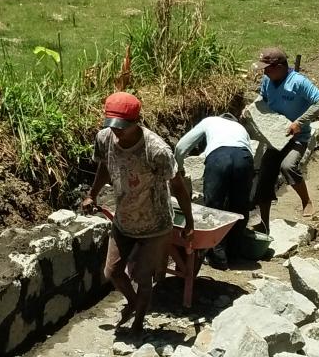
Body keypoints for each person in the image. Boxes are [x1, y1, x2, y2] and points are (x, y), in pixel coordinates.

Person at [81, 91, 194, 333]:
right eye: (112, 125)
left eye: (121, 127)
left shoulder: (156, 150)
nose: (116, 131)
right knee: (112, 271)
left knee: (143, 277)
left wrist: (190, 222)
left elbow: (178, 187)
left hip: (155, 224)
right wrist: (92, 194)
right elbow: (105, 166)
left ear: (136, 122)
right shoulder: (105, 138)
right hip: (124, 220)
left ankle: (139, 324)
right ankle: (133, 302)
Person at [253, 47, 319, 232]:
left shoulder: (298, 82)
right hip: (275, 137)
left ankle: (306, 201)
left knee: (288, 166)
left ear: (279, 67)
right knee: (265, 176)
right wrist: (251, 109)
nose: (264, 72)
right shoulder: (267, 80)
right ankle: (264, 224)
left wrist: (299, 122)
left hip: (297, 137)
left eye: (267, 68)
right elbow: (262, 98)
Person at [173, 114, 253, 266]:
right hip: (244, 158)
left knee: (213, 207)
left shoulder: (209, 121)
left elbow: (181, 146)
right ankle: (234, 254)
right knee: (240, 207)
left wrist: (179, 168)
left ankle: (217, 257)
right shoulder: (241, 128)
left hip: (219, 158)